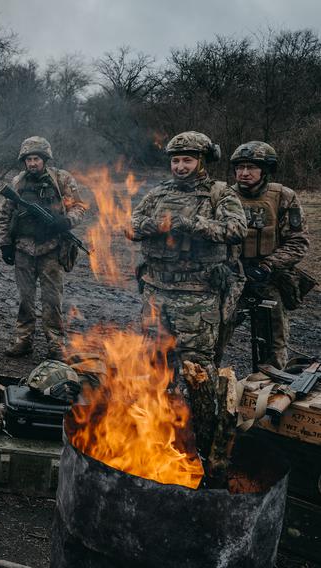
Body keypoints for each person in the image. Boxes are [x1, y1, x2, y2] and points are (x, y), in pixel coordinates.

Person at [126, 131, 246, 483]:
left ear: (202, 161)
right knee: (152, 366)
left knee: (197, 372)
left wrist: (193, 225)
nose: (180, 166)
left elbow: (236, 229)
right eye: (176, 160)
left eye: (188, 160)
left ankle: (198, 447)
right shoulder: (158, 193)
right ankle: (151, 435)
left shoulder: (218, 193)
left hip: (197, 296)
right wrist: (159, 225)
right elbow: (131, 226)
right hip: (156, 292)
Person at [215, 141, 310, 368]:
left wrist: (268, 265)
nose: (244, 173)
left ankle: (269, 393)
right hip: (231, 277)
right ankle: (207, 391)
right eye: (239, 167)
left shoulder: (283, 197)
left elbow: (298, 242)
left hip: (268, 278)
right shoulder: (223, 196)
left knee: (273, 345)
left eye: (251, 167)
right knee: (214, 337)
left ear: (265, 170)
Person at [0, 136, 87, 360]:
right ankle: (23, 340)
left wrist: (66, 222)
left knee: (52, 300)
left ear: (45, 159)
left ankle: (55, 343)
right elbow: (5, 214)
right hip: (24, 249)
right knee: (25, 299)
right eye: (28, 159)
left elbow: (79, 207)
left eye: (36, 158)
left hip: (51, 249)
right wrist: (5, 243)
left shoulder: (61, 179)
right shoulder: (18, 181)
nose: (32, 163)